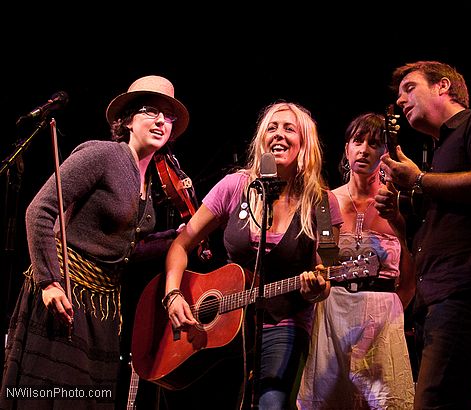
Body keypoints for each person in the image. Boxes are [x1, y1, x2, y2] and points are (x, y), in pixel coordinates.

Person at [1, 75, 190, 409]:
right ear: (128, 120)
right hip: (64, 291)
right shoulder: (102, 155)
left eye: (169, 116)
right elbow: (39, 211)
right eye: (151, 111)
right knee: (48, 395)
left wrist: (183, 237)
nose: (162, 121)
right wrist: (49, 282)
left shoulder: (149, 185)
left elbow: (126, 250)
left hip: (100, 307)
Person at [164, 101, 343, 409]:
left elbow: (325, 271)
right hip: (224, 329)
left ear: (304, 143)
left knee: (271, 404)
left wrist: (318, 287)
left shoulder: (323, 204)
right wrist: (173, 294)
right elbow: (180, 245)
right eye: (271, 128)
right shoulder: (235, 186)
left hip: (284, 324)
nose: (279, 135)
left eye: (289, 128)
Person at [374, 60, 471, 409]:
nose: (402, 101)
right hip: (435, 295)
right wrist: (397, 217)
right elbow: (425, 237)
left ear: (443, 86)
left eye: (410, 88)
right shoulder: (437, 155)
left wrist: (418, 180)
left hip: (466, 286)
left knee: (433, 400)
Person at [297, 112, 415, 409]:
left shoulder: (399, 203)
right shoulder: (326, 201)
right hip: (333, 311)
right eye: (357, 141)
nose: (364, 149)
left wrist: (389, 309)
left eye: (374, 143)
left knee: (385, 401)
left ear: (386, 153)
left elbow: (410, 275)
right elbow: (320, 264)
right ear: (347, 148)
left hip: (382, 314)